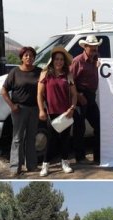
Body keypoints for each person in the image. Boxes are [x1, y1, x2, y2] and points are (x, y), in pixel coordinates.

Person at [37, 46, 78, 177]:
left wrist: (72, 108)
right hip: (51, 112)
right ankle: (45, 164)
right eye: (56, 59)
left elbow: (74, 94)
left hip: (66, 112)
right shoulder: (45, 74)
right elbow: (39, 94)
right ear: (52, 60)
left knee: (65, 139)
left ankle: (65, 162)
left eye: (61, 59)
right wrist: (41, 110)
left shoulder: (68, 75)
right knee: (51, 140)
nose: (59, 62)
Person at [2, 47, 42, 177]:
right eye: (26, 55)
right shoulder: (15, 72)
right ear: (21, 57)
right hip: (19, 109)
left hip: (34, 109)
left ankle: (32, 166)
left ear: (34, 57)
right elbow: (4, 90)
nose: (29, 58)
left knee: (31, 138)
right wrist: (12, 105)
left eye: (31, 55)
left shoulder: (39, 72)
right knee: (18, 138)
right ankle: (15, 167)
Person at [70, 35, 102, 164]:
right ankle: (80, 157)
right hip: (80, 96)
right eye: (92, 48)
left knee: (98, 125)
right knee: (79, 128)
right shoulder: (77, 61)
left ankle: (98, 156)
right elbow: (70, 81)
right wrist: (78, 95)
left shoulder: (96, 61)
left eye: (96, 48)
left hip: (91, 96)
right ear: (86, 47)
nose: (94, 51)